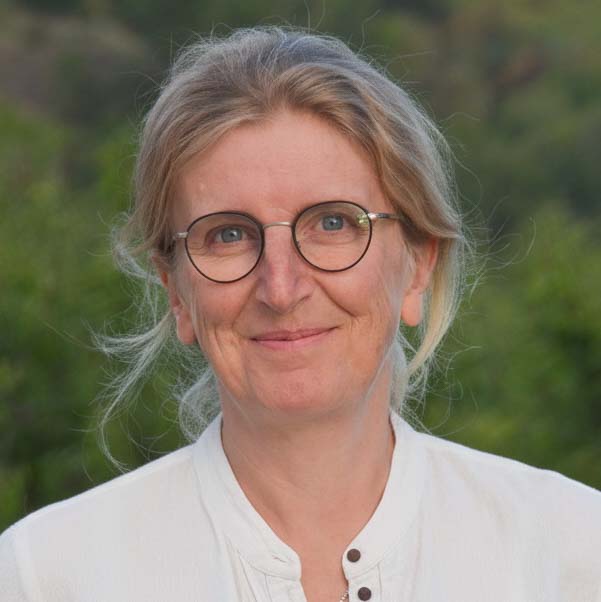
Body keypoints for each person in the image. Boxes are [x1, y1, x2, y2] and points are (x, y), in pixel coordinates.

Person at [1, 26, 600, 602]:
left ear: (418, 265)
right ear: (176, 291)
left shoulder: (572, 553)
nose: (281, 288)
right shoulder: (47, 577)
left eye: (333, 223)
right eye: (229, 234)